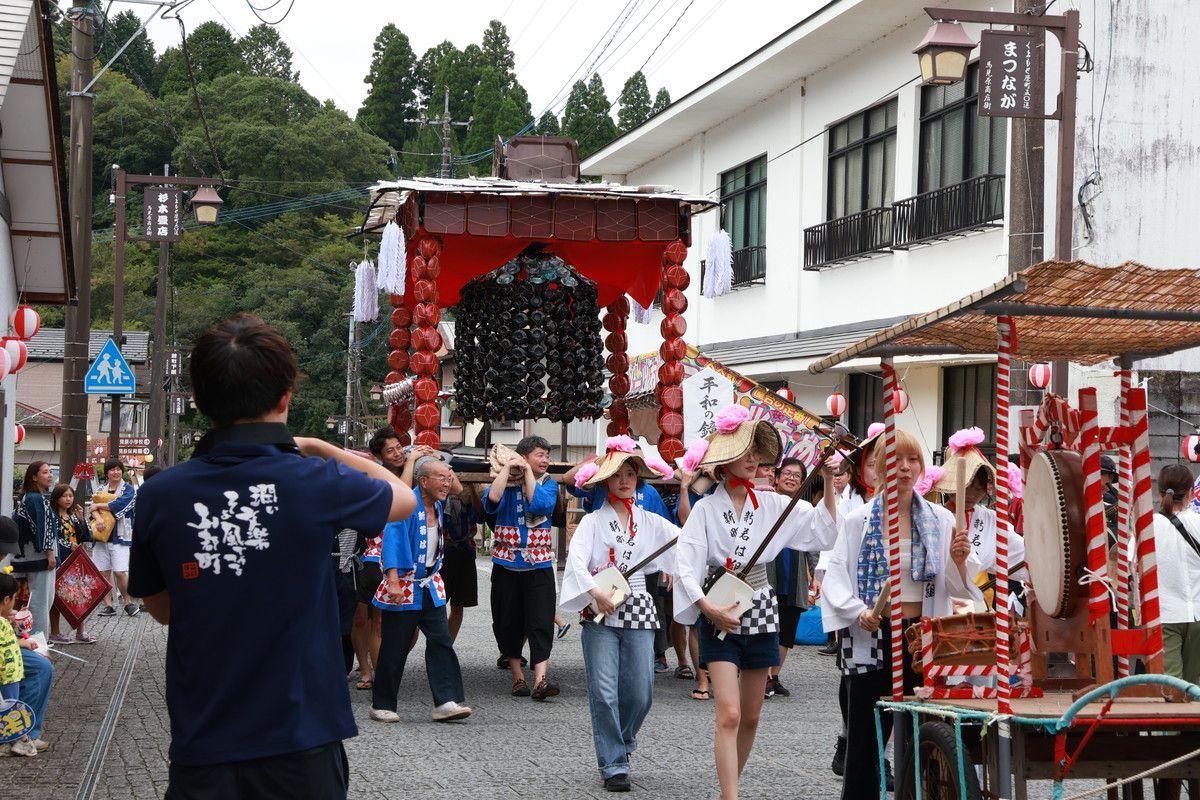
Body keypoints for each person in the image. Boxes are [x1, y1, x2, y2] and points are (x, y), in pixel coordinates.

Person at [128, 313, 415, 800]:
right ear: (286, 398)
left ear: (198, 401)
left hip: (205, 735)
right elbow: (402, 499)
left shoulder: (162, 493)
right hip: (301, 736)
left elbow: (162, 610)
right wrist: (317, 446)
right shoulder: (314, 481)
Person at [674, 405, 839, 800]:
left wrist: (829, 481)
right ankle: (731, 797)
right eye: (743, 452)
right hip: (719, 607)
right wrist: (705, 607)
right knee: (728, 712)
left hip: (761, 605)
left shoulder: (771, 503)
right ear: (723, 462)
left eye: (754, 453)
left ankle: (727, 789)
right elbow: (686, 563)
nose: (752, 460)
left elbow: (823, 530)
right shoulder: (705, 510)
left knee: (751, 715)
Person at [820, 428, 980, 800]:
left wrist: (958, 560)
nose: (905, 468)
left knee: (922, 727)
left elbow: (958, 587)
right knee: (865, 732)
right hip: (873, 632)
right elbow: (836, 574)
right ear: (877, 468)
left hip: (920, 634)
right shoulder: (858, 519)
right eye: (895, 460)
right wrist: (858, 610)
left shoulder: (940, 519)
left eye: (912, 460)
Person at [562, 438, 680, 792]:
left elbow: (685, 542)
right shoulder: (592, 521)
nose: (625, 480)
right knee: (603, 690)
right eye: (617, 475)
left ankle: (622, 740)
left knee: (641, 691)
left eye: (631, 474)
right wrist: (595, 591)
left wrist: (679, 563)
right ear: (605, 482)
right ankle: (614, 762)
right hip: (601, 607)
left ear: (638, 479)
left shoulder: (650, 521)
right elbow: (577, 560)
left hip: (639, 603)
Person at [370, 457, 472, 723]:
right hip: (403, 585)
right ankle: (382, 704)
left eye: (448, 477)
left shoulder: (438, 505)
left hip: (429, 584)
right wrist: (392, 581)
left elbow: (460, 490)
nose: (447, 482)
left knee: (441, 641)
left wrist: (448, 472)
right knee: (395, 645)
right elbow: (391, 540)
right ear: (423, 481)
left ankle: (446, 701)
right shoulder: (406, 505)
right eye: (441, 477)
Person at [485, 435, 560, 700]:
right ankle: (518, 678)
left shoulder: (549, 485)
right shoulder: (505, 484)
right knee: (508, 621)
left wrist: (528, 471)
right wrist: (508, 468)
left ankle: (541, 680)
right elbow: (491, 501)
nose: (545, 460)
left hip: (539, 565)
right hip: (506, 564)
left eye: (547, 455)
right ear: (524, 455)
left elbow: (540, 505)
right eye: (540, 454)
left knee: (540, 621)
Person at [352, 427, 406, 691]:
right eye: (390, 450)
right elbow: (403, 495)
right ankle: (369, 670)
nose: (397, 453)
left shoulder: (415, 470)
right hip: (374, 557)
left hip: (406, 559)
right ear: (379, 457)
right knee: (368, 620)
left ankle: (386, 668)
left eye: (399, 447)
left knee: (406, 621)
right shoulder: (377, 479)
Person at [766, 458, 810, 699]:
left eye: (797, 475)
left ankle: (773, 676)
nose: (792, 478)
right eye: (788, 473)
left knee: (788, 625)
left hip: (794, 572)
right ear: (777, 476)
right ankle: (763, 675)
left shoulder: (803, 508)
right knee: (768, 623)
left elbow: (814, 543)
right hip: (770, 570)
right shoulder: (765, 501)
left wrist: (817, 574)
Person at [1152, 463, 1200, 684]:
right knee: (1195, 691)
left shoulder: (1148, 527)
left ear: (1159, 492)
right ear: (1191, 492)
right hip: (1198, 613)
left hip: (1165, 613)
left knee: (1171, 687)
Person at [11, 461, 57, 636]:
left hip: (23, 559)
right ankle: (39, 644)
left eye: (50, 472)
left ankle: (26, 641)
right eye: (45, 472)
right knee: (40, 604)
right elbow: (42, 528)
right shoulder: (36, 499)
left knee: (26, 602)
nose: (50, 475)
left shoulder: (25, 498)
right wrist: (50, 553)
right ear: (34, 477)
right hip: (38, 560)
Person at [48, 484, 96, 645]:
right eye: (64, 496)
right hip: (61, 560)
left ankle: (80, 631)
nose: (68, 499)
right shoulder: (53, 516)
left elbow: (86, 536)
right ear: (56, 498)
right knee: (57, 597)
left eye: (70, 496)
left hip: (76, 561)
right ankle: (55, 632)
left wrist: (82, 518)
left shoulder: (73, 516)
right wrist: (68, 546)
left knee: (80, 594)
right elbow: (52, 539)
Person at [92, 460, 138, 617]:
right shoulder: (100, 489)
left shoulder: (128, 490)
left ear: (122, 471)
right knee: (103, 572)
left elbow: (121, 504)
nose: (115, 472)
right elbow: (92, 508)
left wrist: (99, 505)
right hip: (101, 536)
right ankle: (108, 604)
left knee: (120, 572)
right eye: (112, 470)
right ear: (107, 473)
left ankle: (128, 601)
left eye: (118, 469)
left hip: (120, 536)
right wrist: (98, 518)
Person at [442, 481, 481, 642]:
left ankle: (446, 648)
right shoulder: (439, 486)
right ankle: (438, 646)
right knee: (434, 605)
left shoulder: (473, 488)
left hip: (466, 550)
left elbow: (480, 516)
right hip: (442, 551)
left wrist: (472, 488)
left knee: (459, 604)